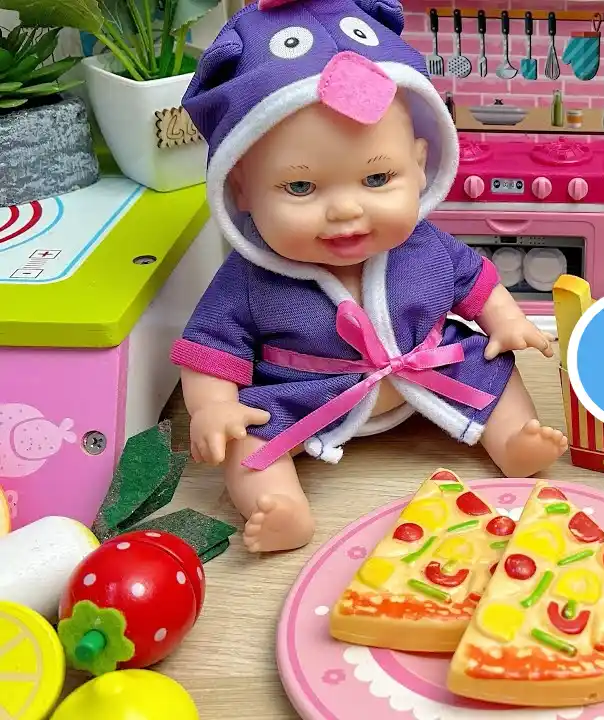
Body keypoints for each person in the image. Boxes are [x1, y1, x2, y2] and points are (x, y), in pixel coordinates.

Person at [173, 0, 566, 553]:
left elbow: (475, 280)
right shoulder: (249, 278)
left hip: (429, 368)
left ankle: (514, 442)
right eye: (301, 187)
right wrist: (214, 407)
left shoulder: (424, 245)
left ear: (420, 163)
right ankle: (278, 507)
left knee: (493, 366)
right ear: (240, 189)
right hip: (305, 393)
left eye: (377, 178)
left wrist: (506, 320)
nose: (345, 210)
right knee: (249, 437)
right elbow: (209, 349)